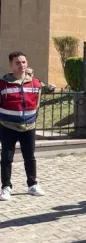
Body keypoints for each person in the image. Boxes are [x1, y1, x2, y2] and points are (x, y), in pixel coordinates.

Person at [0, 52, 47, 201]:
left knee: (30, 157)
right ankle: (6, 187)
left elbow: (37, 103)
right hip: (8, 126)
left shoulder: (35, 83)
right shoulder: (2, 84)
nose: (22, 65)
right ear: (11, 65)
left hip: (29, 127)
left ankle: (32, 185)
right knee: (7, 158)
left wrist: (32, 118)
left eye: (24, 62)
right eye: (18, 63)